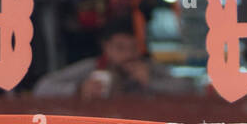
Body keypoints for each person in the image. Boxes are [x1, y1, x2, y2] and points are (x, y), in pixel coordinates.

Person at [32, 18, 194, 97]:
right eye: (120, 48)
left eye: (133, 48)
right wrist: (79, 89)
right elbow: (42, 87)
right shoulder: (92, 67)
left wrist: (151, 82)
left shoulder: (148, 67)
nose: (128, 55)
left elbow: (190, 88)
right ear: (106, 47)